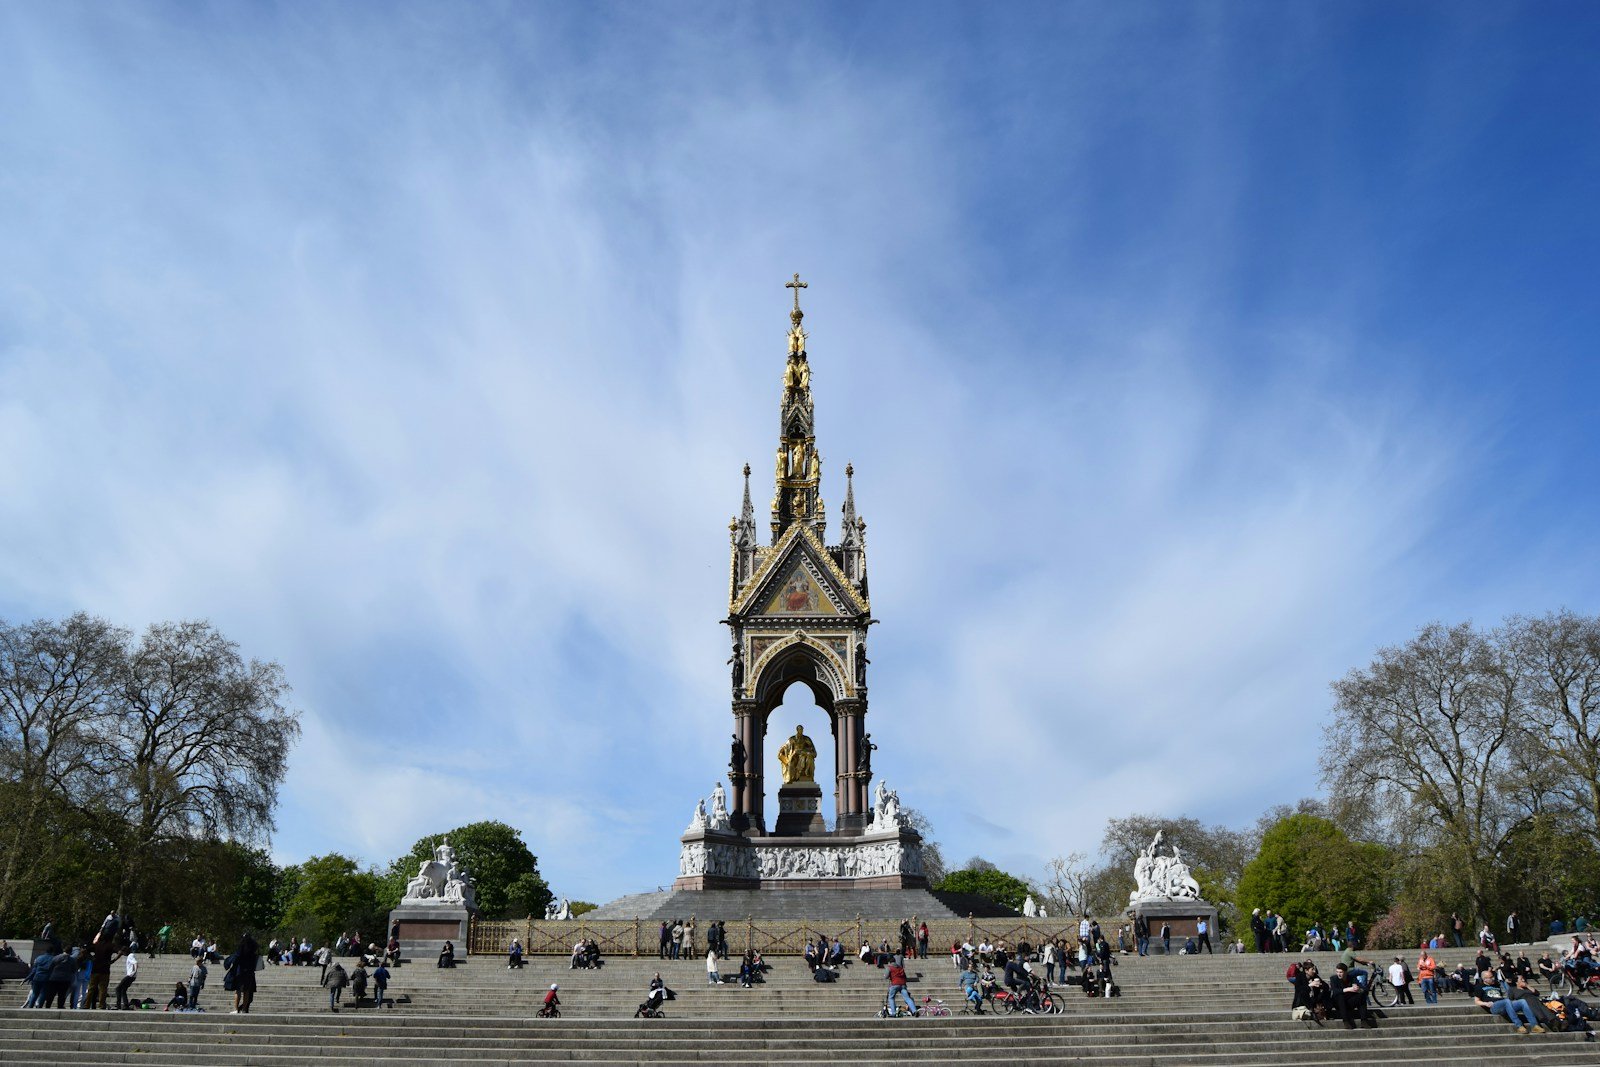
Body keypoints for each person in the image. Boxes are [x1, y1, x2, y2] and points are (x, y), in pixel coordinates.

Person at [1472, 968, 1540, 1032]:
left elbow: (1500, 996)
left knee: (1522, 1001)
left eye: (1492, 976)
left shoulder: (1496, 985)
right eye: (1490, 977)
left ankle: (1535, 1025)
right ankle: (1519, 1025)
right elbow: (1476, 1001)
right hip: (1494, 1006)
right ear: (1485, 979)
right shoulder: (1479, 987)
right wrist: (1486, 1004)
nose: (1493, 978)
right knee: (1507, 1001)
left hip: (1504, 1003)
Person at [1331, 963, 1376, 1028]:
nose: (1338, 974)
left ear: (1345, 972)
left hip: (1350, 1002)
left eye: (1340, 972)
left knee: (1362, 995)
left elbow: (1364, 989)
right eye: (1337, 972)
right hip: (1339, 1003)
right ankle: (1345, 1021)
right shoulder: (1334, 979)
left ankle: (1363, 1021)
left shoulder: (1352, 978)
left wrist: (1358, 989)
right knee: (1340, 996)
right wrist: (1348, 989)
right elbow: (1334, 991)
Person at [231, 931, 259, 1014]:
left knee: (238, 991)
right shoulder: (253, 948)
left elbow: (236, 957)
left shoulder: (241, 947)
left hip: (240, 971)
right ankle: (243, 1009)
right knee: (246, 991)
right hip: (249, 971)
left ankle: (236, 1009)